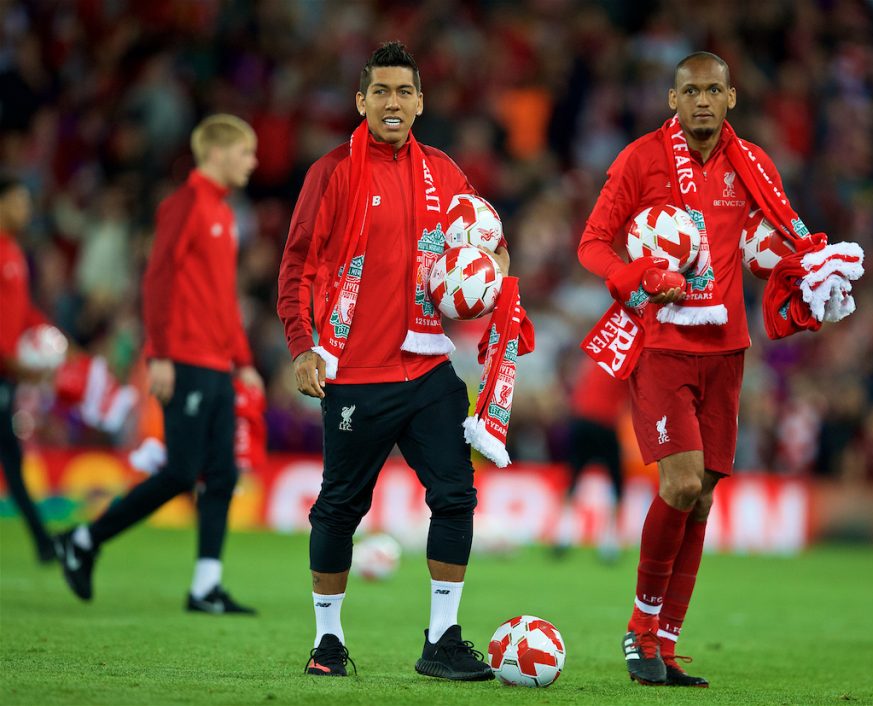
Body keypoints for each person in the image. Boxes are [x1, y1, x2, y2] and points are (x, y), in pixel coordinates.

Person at [277, 41, 510, 680]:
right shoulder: (331, 172)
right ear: (360, 100)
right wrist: (302, 347)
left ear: (420, 102)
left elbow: (485, 244)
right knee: (339, 509)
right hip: (353, 373)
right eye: (380, 91)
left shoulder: (444, 172)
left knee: (456, 496)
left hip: (429, 367)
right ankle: (328, 641)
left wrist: (493, 276)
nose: (392, 102)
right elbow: (296, 263)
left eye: (404, 92)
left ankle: (442, 640)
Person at [578, 51, 807, 687]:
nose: (702, 101)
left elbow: (782, 242)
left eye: (714, 90)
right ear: (671, 99)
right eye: (691, 91)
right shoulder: (639, 160)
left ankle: (666, 645)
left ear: (731, 97)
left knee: (702, 500)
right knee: (679, 486)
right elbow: (592, 242)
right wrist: (640, 275)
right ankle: (639, 628)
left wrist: (809, 279)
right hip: (660, 348)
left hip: (727, 351)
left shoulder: (754, 165)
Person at [56, 114, 264, 615]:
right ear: (217, 153)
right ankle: (84, 540)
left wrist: (244, 361)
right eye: (245, 152)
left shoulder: (224, 214)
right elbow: (158, 281)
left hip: (217, 363)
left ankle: (205, 587)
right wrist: (161, 355)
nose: (252, 162)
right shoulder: (185, 205)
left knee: (222, 476)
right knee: (179, 472)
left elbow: (222, 297)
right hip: (185, 359)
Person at [0, 175, 56, 563]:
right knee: (11, 458)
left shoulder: (14, 253)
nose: (26, 209)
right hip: (5, 368)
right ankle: (43, 542)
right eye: (19, 201)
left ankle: (42, 542)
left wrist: (45, 330)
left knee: (12, 459)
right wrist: (17, 364)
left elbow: (20, 311)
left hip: (6, 372)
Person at [554, 358, 629, 560]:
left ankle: (563, 535)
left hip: (581, 420)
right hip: (604, 422)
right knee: (616, 482)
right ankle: (609, 543)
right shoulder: (627, 363)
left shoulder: (594, 360)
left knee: (574, 478)